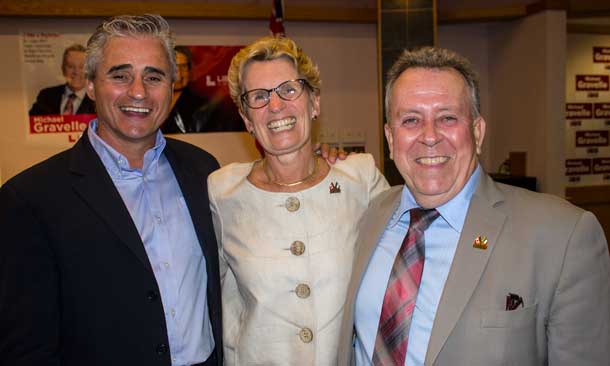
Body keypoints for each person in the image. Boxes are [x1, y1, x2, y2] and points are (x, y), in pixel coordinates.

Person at [338, 46, 610, 366]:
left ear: (477, 132)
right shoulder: (370, 215)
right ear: (390, 138)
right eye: (411, 120)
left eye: (447, 118)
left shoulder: (562, 237)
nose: (429, 136)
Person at [0, 14, 222, 366]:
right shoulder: (30, 199)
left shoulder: (204, 170)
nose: (138, 91)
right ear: (90, 85)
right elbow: (27, 347)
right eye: (120, 75)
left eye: (154, 76)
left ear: (172, 86)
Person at [208, 35, 389, 365]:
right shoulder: (222, 193)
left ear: (314, 102)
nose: (275, 106)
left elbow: (396, 282)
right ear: (247, 119)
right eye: (259, 97)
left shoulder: (359, 180)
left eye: (288, 90)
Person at [29, 43, 96, 116]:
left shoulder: (96, 100)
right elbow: (30, 123)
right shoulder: (46, 96)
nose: (76, 72)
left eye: (81, 67)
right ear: (63, 68)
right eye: (70, 66)